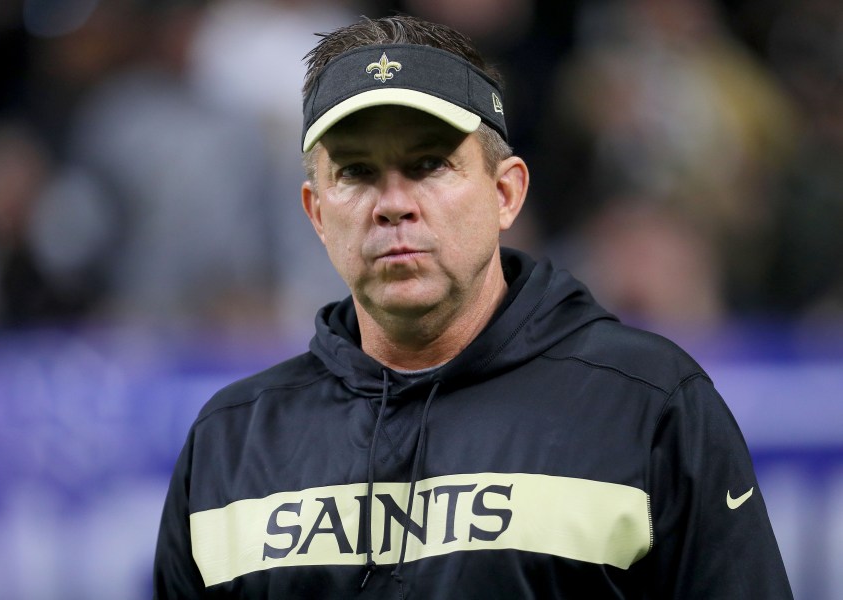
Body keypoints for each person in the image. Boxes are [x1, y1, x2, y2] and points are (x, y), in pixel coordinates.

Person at [153, 14, 793, 599]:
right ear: (317, 214)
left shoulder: (648, 403)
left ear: (507, 193)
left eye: (430, 165)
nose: (393, 203)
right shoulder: (230, 442)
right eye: (355, 172)